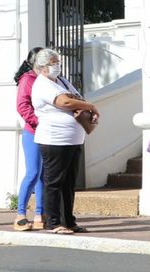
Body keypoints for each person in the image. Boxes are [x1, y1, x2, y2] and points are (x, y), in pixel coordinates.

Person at [31, 49, 99, 234]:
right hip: (55, 140)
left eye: (57, 62)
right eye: (53, 63)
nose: (57, 66)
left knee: (68, 183)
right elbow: (64, 102)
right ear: (43, 67)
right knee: (54, 182)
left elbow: (75, 97)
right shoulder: (42, 84)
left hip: (73, 139)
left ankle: (69, 220)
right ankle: (53, 222)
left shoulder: (60, 81)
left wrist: (86, 109)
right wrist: (90, 106)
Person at [13, 47, 44, 231]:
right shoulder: (27, 80)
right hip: (33, 132)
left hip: (47, 132)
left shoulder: (46, 79)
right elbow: (22, 106)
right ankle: (20, 214)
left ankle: (41, 213)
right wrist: (39, 122)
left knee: (43, 175)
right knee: (33, 173)